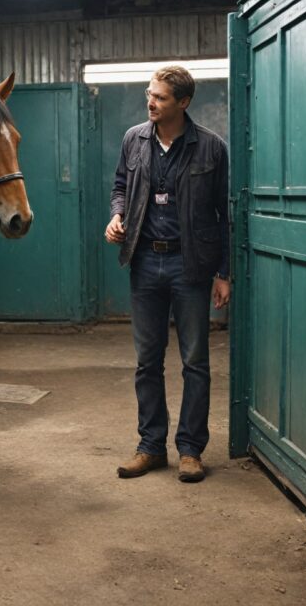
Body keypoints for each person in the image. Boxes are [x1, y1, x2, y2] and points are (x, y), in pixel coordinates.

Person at [105, 65, 230, 483]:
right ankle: (151, 447)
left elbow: (224, 213)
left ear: (183, 102)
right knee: (147, 362)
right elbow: (120, 185)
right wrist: (117, 216)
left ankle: (191, 450)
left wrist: (223, 273)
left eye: (159, 96)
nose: (150, 101)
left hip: (190, 265)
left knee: (194, 362)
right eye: (149, 94)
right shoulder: (134, 139)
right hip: (144, 262)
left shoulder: (211, 148)